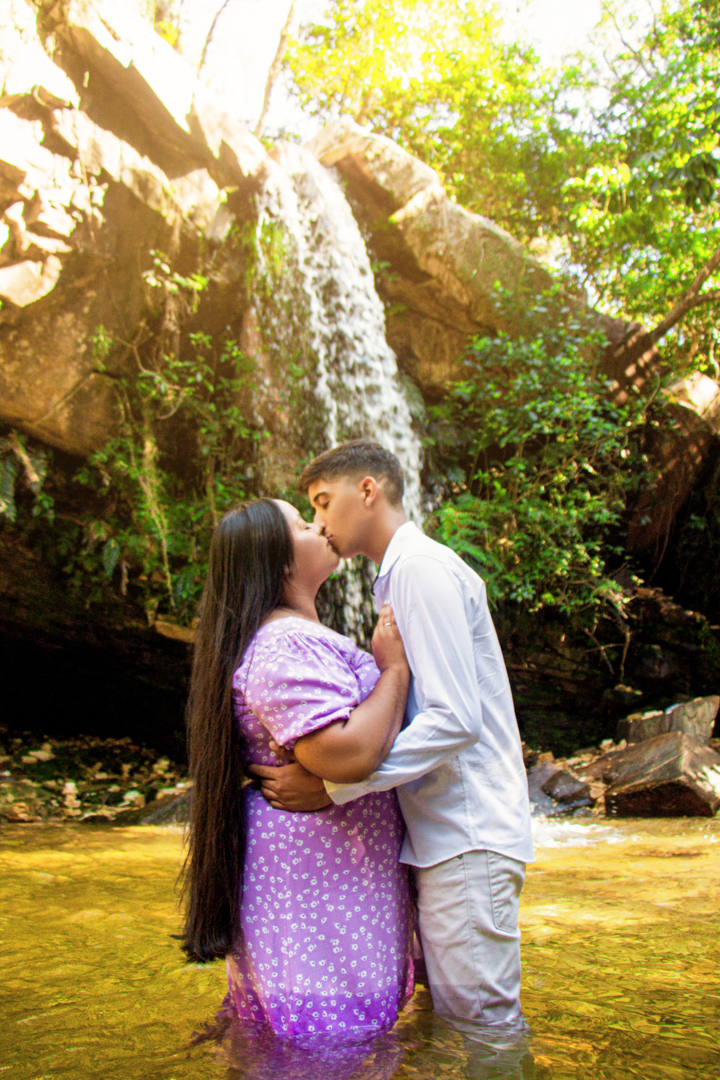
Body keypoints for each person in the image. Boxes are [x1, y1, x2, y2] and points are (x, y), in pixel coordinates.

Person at [251, 440, 535, 1031]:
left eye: (322, 502)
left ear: (368, 491)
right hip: (445, 836)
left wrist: (336, 787)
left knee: (484, 1027)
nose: (320, 523)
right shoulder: (399, 577)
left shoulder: (419, 570)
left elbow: (455, 718)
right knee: (454, 1026)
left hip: (466, 833)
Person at [181, 497, 414, 1041]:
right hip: (319, 875)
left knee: (304, 1044)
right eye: (303, 523)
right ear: (278, 561)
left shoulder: (282, 638)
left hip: (318, 869)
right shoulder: (284, 643)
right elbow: (344, 754)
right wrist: (395, 670)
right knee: (329, 1045)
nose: (320, 526)